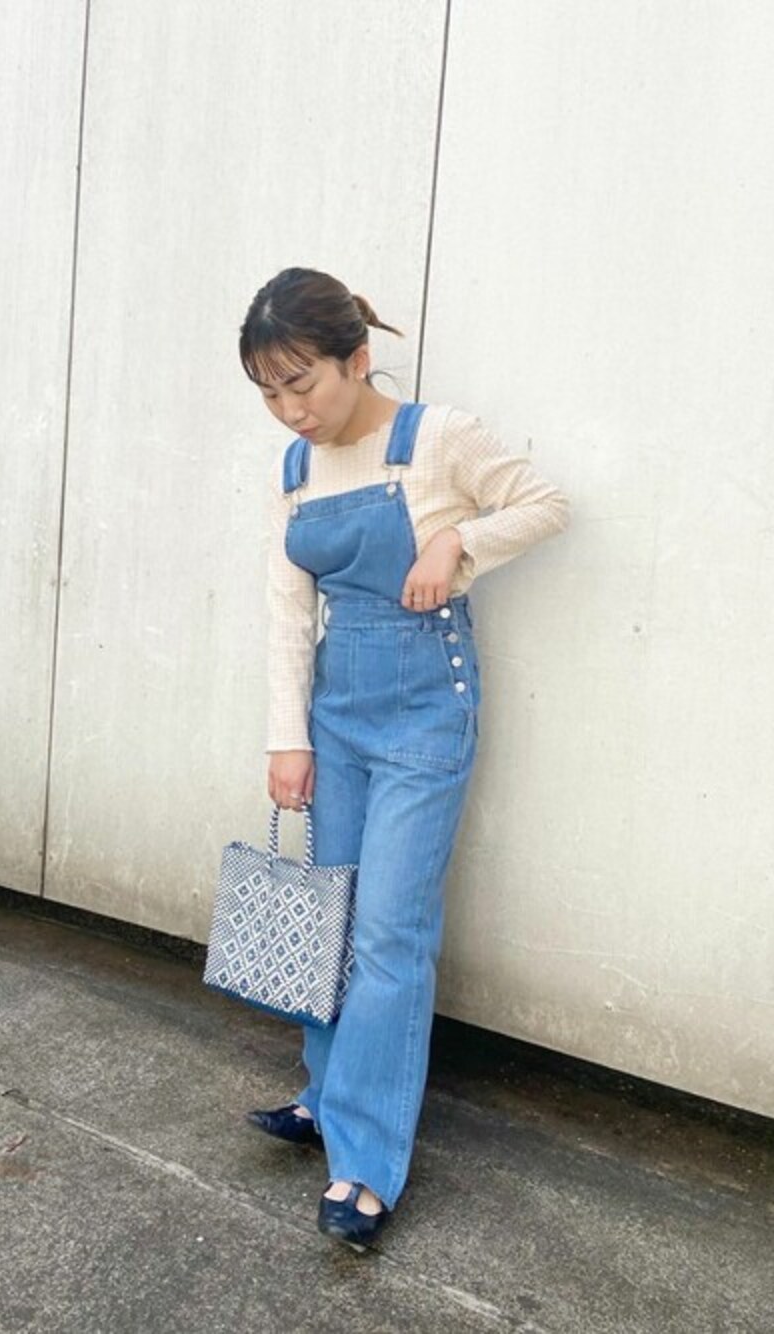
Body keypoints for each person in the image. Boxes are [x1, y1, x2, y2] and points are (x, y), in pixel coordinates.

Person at [238, 266, 569, 1249]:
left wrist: (457, 541)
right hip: (336, 711)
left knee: (389, 931)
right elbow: (287, 613)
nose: (291, 410)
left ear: (356, 359)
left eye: (303, 383)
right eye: (270, 393)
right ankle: (327, 1094)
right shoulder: (294, 470)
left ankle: (366, 1162)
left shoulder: (437, 437)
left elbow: (545, 503)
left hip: (427, 708)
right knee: (330, 913)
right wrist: (288, 736)